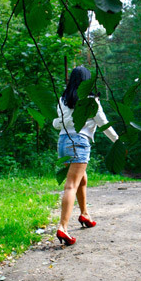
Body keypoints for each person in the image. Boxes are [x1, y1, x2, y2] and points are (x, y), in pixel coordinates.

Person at [52, 65, 118, 246]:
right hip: (79, 142)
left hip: (63, 143)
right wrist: (118, 141)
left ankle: (85, 215)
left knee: (81, 180)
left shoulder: (63, 100)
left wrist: (55, 121)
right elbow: (103, 124)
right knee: (71, 185)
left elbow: (58, 123)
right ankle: (63, 227)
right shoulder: (91, 101)